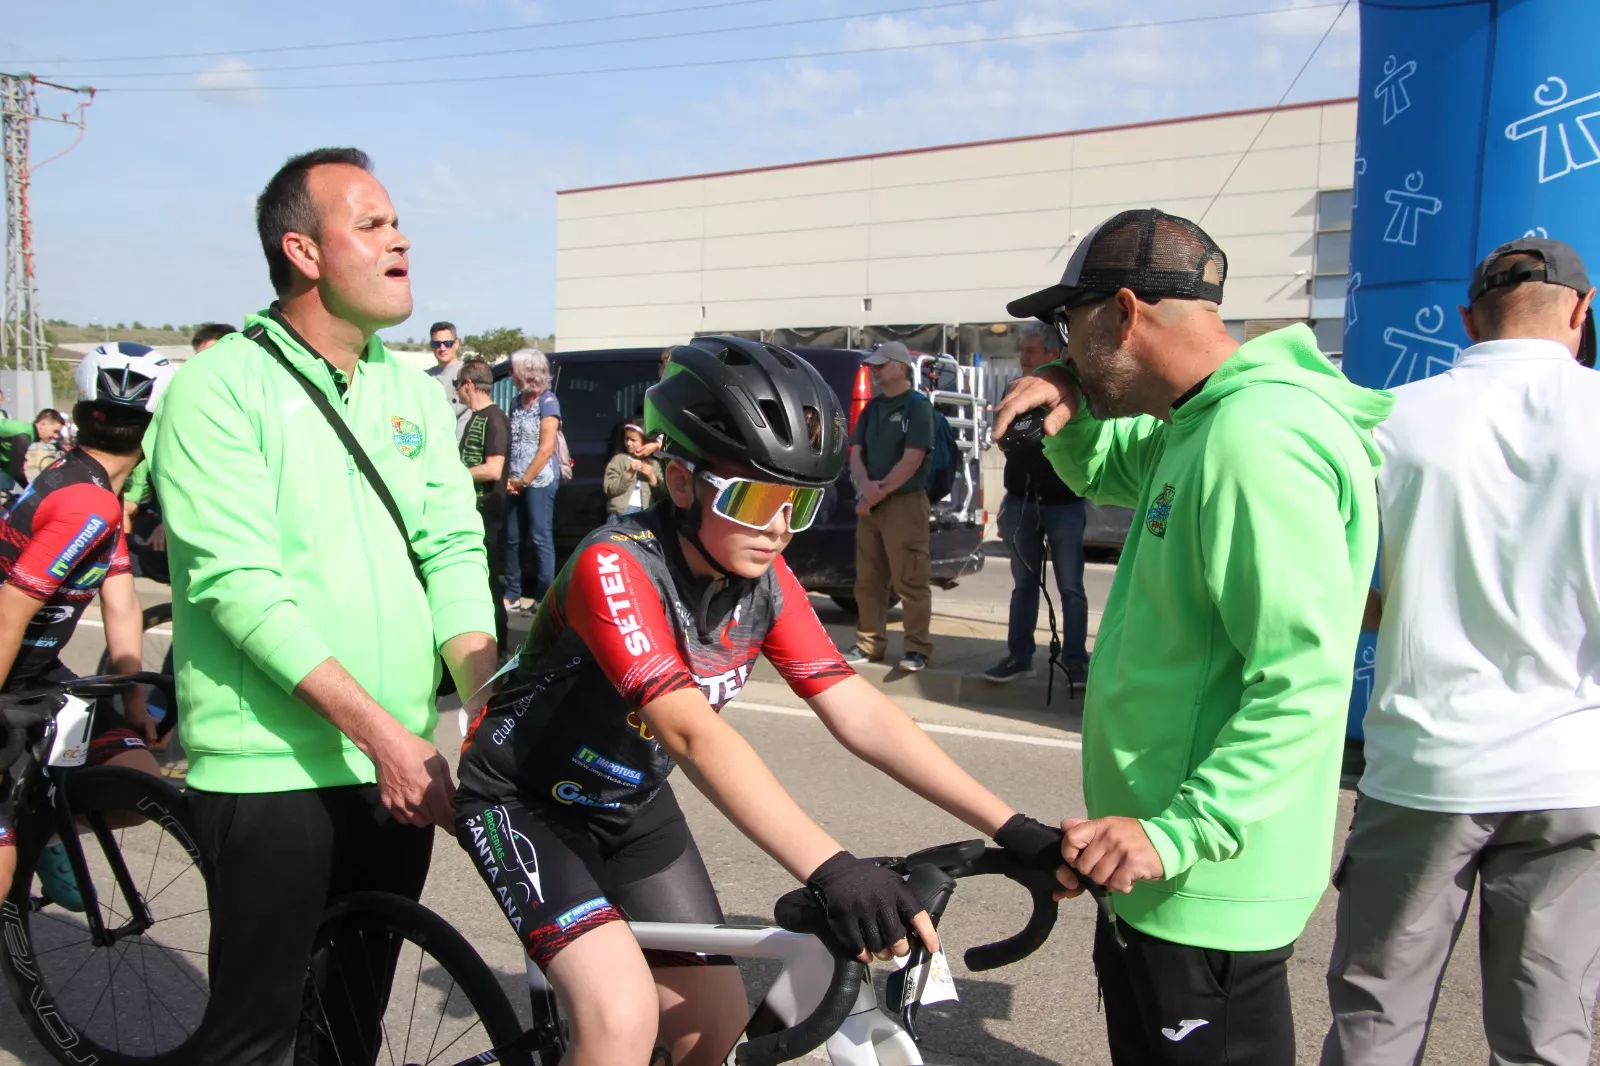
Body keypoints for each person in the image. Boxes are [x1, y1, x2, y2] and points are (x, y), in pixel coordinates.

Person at [455, 336, 1070, 1066]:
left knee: (712, 1024)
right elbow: (692, 736)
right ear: (680, 484)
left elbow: (857, 707)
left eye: (799, 502)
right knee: (619, 1019)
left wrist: (1014, 825)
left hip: (629, 802)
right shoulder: (614, 566)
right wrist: (832, 868)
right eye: (752, 498)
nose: (778, 527)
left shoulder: (765, 581)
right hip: (525, 800)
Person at [992, 208, 1392, 1066]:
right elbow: (1105, 465)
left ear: (1125, 312)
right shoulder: (1198, 420)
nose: (1060, 345)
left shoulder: (1255, 441)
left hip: (1198, 875)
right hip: (1155, 869)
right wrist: (1071, 388)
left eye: (1070, 324)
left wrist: (1176, 833)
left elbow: (1303, 681)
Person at [150, 146, 498, 1066]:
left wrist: (484, 688)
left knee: (351, 1029)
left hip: (400, 762)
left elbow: (454, 548)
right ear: (303, 251)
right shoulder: (218, 388)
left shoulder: (413, 394)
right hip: (271, 769)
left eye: (398, 222)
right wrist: (383, 734)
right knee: (256, 1037)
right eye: (374, 224)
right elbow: (238, 587)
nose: (402, 239)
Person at [1322, 238, 1600, 1066]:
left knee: (1377, 1014)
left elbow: (1329, 583)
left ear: (1468, 320)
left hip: (1425, 762)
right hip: (1573, 765)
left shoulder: (1392, 417)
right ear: (1582, 313)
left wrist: (1405, 608)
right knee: (1549, 1030)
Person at [0, 343, 174, 908]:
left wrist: (132, 701)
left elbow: (121, 604)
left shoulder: (98, 490)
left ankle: (42, 826)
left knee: (135, 778)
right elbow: (10, 611)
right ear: (154, 432)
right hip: (8, 683)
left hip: (38, 677)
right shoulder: (88, 503)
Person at [984, 323, 1089, 686]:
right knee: (1023, 584)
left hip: (1064, 505)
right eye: (1023, 350)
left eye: (1031, 350)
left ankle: (1076, 661)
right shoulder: (1015, 391)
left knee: (1071, 587)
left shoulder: (1068, 394)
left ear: (1052, 354)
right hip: (1021, 502)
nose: (1023, 357)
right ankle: (1019, 656)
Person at [841, 341, 934, 673]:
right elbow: (855, 452)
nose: (874, 370)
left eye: (881, 365)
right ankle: (869, 644)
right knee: (868, 580)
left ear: (900, 367)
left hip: (905, 504)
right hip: (872, 504)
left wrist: (874, 495)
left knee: (910, 579)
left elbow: (913, 459)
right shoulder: (873, 408)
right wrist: (865, 488)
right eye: (873, 365)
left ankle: (917, 649)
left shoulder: (918, 407)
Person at [122, 323, 238, 550]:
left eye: (211, 359)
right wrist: (169, 521)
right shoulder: (185, 410)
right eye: (197, 361)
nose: (201, 369)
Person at [455, 357, 511, 652]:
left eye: (457, 385)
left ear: (468, 385)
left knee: (490, 581)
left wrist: (454, 475)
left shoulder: (495, 418)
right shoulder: (474, 417)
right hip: (471, 511)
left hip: (488, 513)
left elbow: (493, 469)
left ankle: (498, 648)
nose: (457, 393)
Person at [504, 346, 561, 613]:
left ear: (528, 371)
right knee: (513, 536)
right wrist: (511, 477)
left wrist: (524, 480)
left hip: (538, 479)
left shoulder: (548, 402)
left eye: (514, 368)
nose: (510, 374)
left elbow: (546, 448)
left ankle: (544, 597)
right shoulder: (517, 401)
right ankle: (513, 593)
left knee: (540, 537)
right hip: (516, 479)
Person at [603, 421, 662, 521]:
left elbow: (662, 494)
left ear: (645, 442)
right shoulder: (618, 460)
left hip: (645, 514)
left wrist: (652, 476)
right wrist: (629, 473)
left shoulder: (654, 464)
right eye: (626, 439)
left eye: (633, 440)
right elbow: (610, 489)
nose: (629, 443)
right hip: (620, 514)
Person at [0, 408, 64, 493]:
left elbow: (9, 465)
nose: (56, 436)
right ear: (42, 425)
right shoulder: (23, 436)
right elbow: (17, 472)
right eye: (55, 431)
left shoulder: (27, 432)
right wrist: (33, 492)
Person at [427, 319, 468, 427]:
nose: (442, 348)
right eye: (437, 344)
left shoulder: (468, 373)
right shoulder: (424, 377)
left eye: (447, 343)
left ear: (457, 343)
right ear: (431, 346)